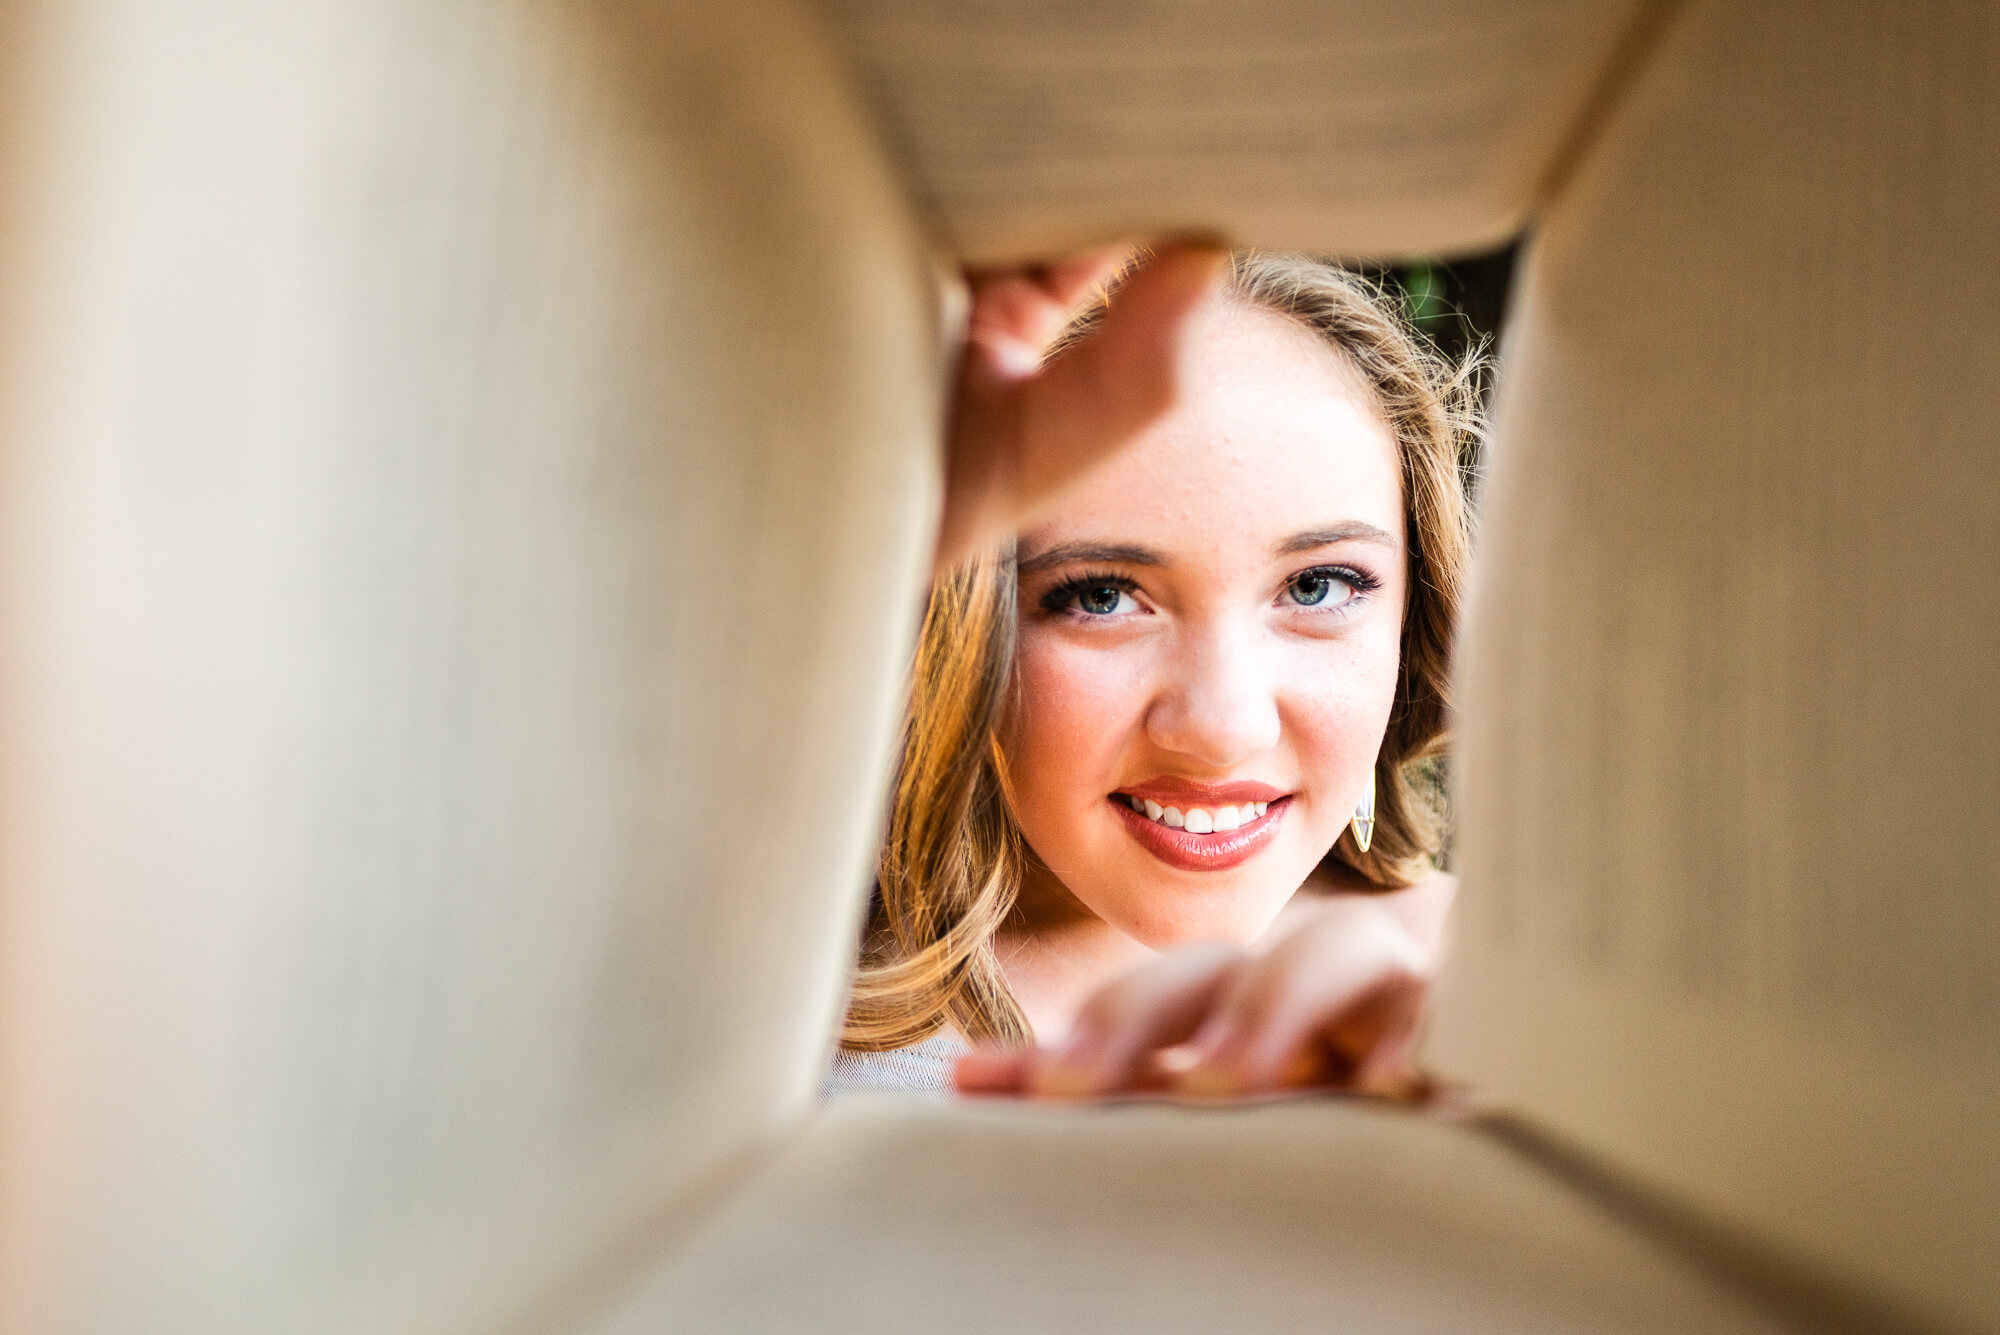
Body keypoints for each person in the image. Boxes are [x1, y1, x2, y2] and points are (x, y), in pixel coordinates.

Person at [827, 245, 1476, 1101]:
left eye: (1318, 587)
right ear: (953, 621)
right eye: (1101, 596)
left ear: (1413, 607)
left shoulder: (1518, 988)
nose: (1224, 726)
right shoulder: (765, 1039)